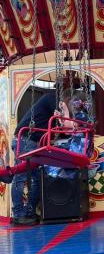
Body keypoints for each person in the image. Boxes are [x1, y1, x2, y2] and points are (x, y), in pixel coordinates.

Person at [11, 88, 74, 225]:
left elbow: (63, 129)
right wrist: (66, 110)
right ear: (67, 99)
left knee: (38, 179)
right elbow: (66, 126)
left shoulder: (54, 108)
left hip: (34, 143)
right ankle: (18, 214)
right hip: (25, 140)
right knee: (20, 177)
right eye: (72, 103)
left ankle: (29, 212)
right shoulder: (51, 98)